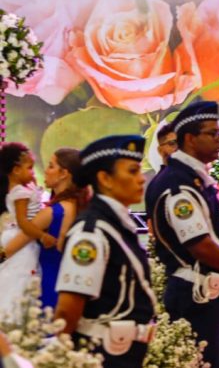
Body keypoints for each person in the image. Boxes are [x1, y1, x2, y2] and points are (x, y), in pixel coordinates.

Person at [145, 101, 219, 368]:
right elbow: (198, 244)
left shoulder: (192, 178)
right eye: (212, 133)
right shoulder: (177, 183)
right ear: (190, 139)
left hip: (209, 295)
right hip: (194, 298)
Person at [54, 135, 155, 368]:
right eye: (132, 171)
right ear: (105, 179)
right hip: (102, 354)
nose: (141, 179)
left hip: (122, 353)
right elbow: (68, 310)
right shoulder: (90, 233)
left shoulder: (115, 225)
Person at [28, 148, 87, 309]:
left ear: (64, 174)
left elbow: (13, 246)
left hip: (46, 286)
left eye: (51, 166)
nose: (46, 171)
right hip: (72, 290)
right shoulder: (83, 208)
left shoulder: (53, 212)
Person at [0, 143, 53, 320]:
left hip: (23, 237)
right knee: (19, 277)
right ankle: (14, 318)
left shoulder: (23, 189)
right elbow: (24, 222)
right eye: (30, 168)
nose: (33, 173)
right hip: (22, 238)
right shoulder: (20, 193)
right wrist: (42, 235)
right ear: (16, 170)